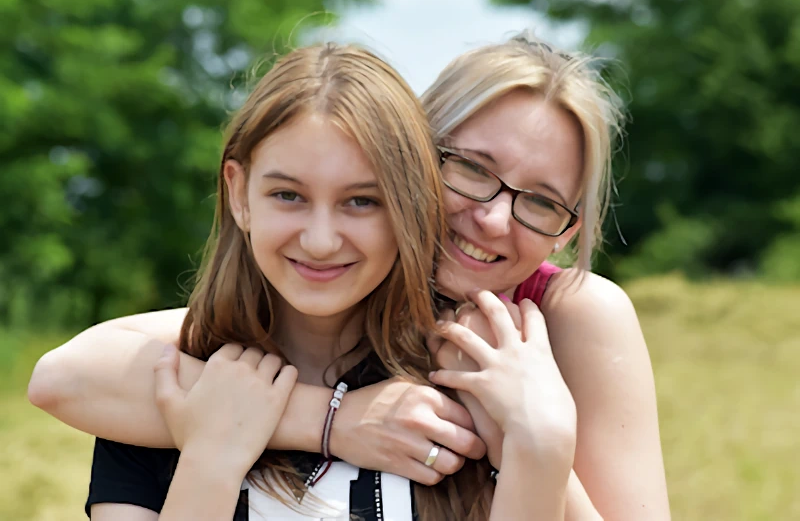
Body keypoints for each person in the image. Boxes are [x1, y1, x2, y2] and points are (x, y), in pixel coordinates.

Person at [29, 33, 671, 520]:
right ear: (416, 165)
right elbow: (69, 375)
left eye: (541, 201)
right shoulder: (209, 380)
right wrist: (325, 422)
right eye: (471, 169)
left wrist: (540, 447)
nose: (492, 218)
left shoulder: (528, 353)